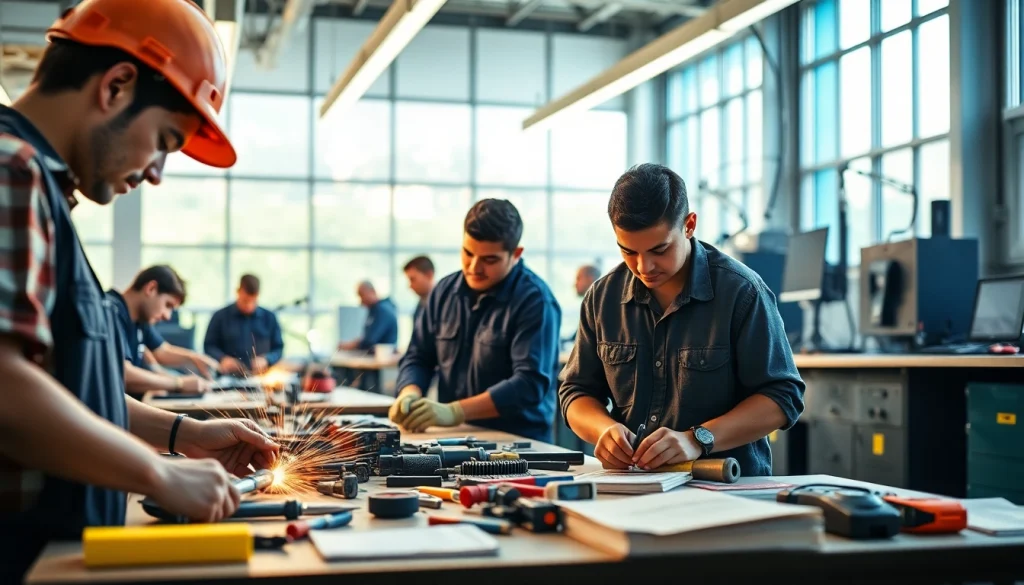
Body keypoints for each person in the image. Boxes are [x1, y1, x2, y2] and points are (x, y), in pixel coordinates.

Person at [0, 0, 279, 579]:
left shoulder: (44, 192)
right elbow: (5, 390)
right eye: (164, 141)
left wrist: (183, 433)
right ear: (118, 86)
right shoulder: (11, 171)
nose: (156, 173)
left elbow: (68, 389)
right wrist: (158, 473)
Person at [558, 163, 804, 476]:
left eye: (659, 249)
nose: (644, 266)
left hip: (726, 491)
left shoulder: (742, 292)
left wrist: (699, 438)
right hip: (635, 487)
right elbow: (576, 391)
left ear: (689, 225)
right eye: (628, 251)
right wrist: (602, 430)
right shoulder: (602, 297)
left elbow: (782, 397)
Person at [389, 199, 562, 442]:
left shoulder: (535, 301)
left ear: (516, 254)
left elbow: (529, 383)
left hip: (520, 446)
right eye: (468, 253)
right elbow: (419, 356)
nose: (474, 267)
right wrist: (409, 392)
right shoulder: (444, 292)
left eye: (489, 260)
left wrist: (455, 411)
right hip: (454, 439)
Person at [108, 265, 218, 398]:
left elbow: (162, 351)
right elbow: (124, 373)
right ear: (151, 289)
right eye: (168, 305)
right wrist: (179, 383)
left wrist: (195, 358)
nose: (168, 316)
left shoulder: (140, 320)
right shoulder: (111, 312)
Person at [204, 274, 284, 376]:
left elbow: (278, 348)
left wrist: (266, 359)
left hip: (261, 377)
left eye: (253, 301)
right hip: (227, 377)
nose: (249, 306)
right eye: (245, 301)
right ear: (238, 292)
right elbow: (209, 346)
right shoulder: (220, 317)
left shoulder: (270, 318)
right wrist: (222, 358)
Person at [337, 281, 398, 352]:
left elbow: (370, 341)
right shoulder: (373, 310)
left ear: (372, 291)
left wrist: (351, 345)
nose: (361, 301)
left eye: (362, 295)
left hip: (383, 357)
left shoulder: (383, 310)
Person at [562, 264, 600, 345]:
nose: (575, 284)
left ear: (590, 279)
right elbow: (577, 338)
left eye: (578, 278)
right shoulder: (590, 306)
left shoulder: (599, 308)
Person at [403, 255, 435, 325]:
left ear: (429, 275)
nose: (410, 286)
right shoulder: (420, 306)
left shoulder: (446, 305)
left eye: (412, 279)